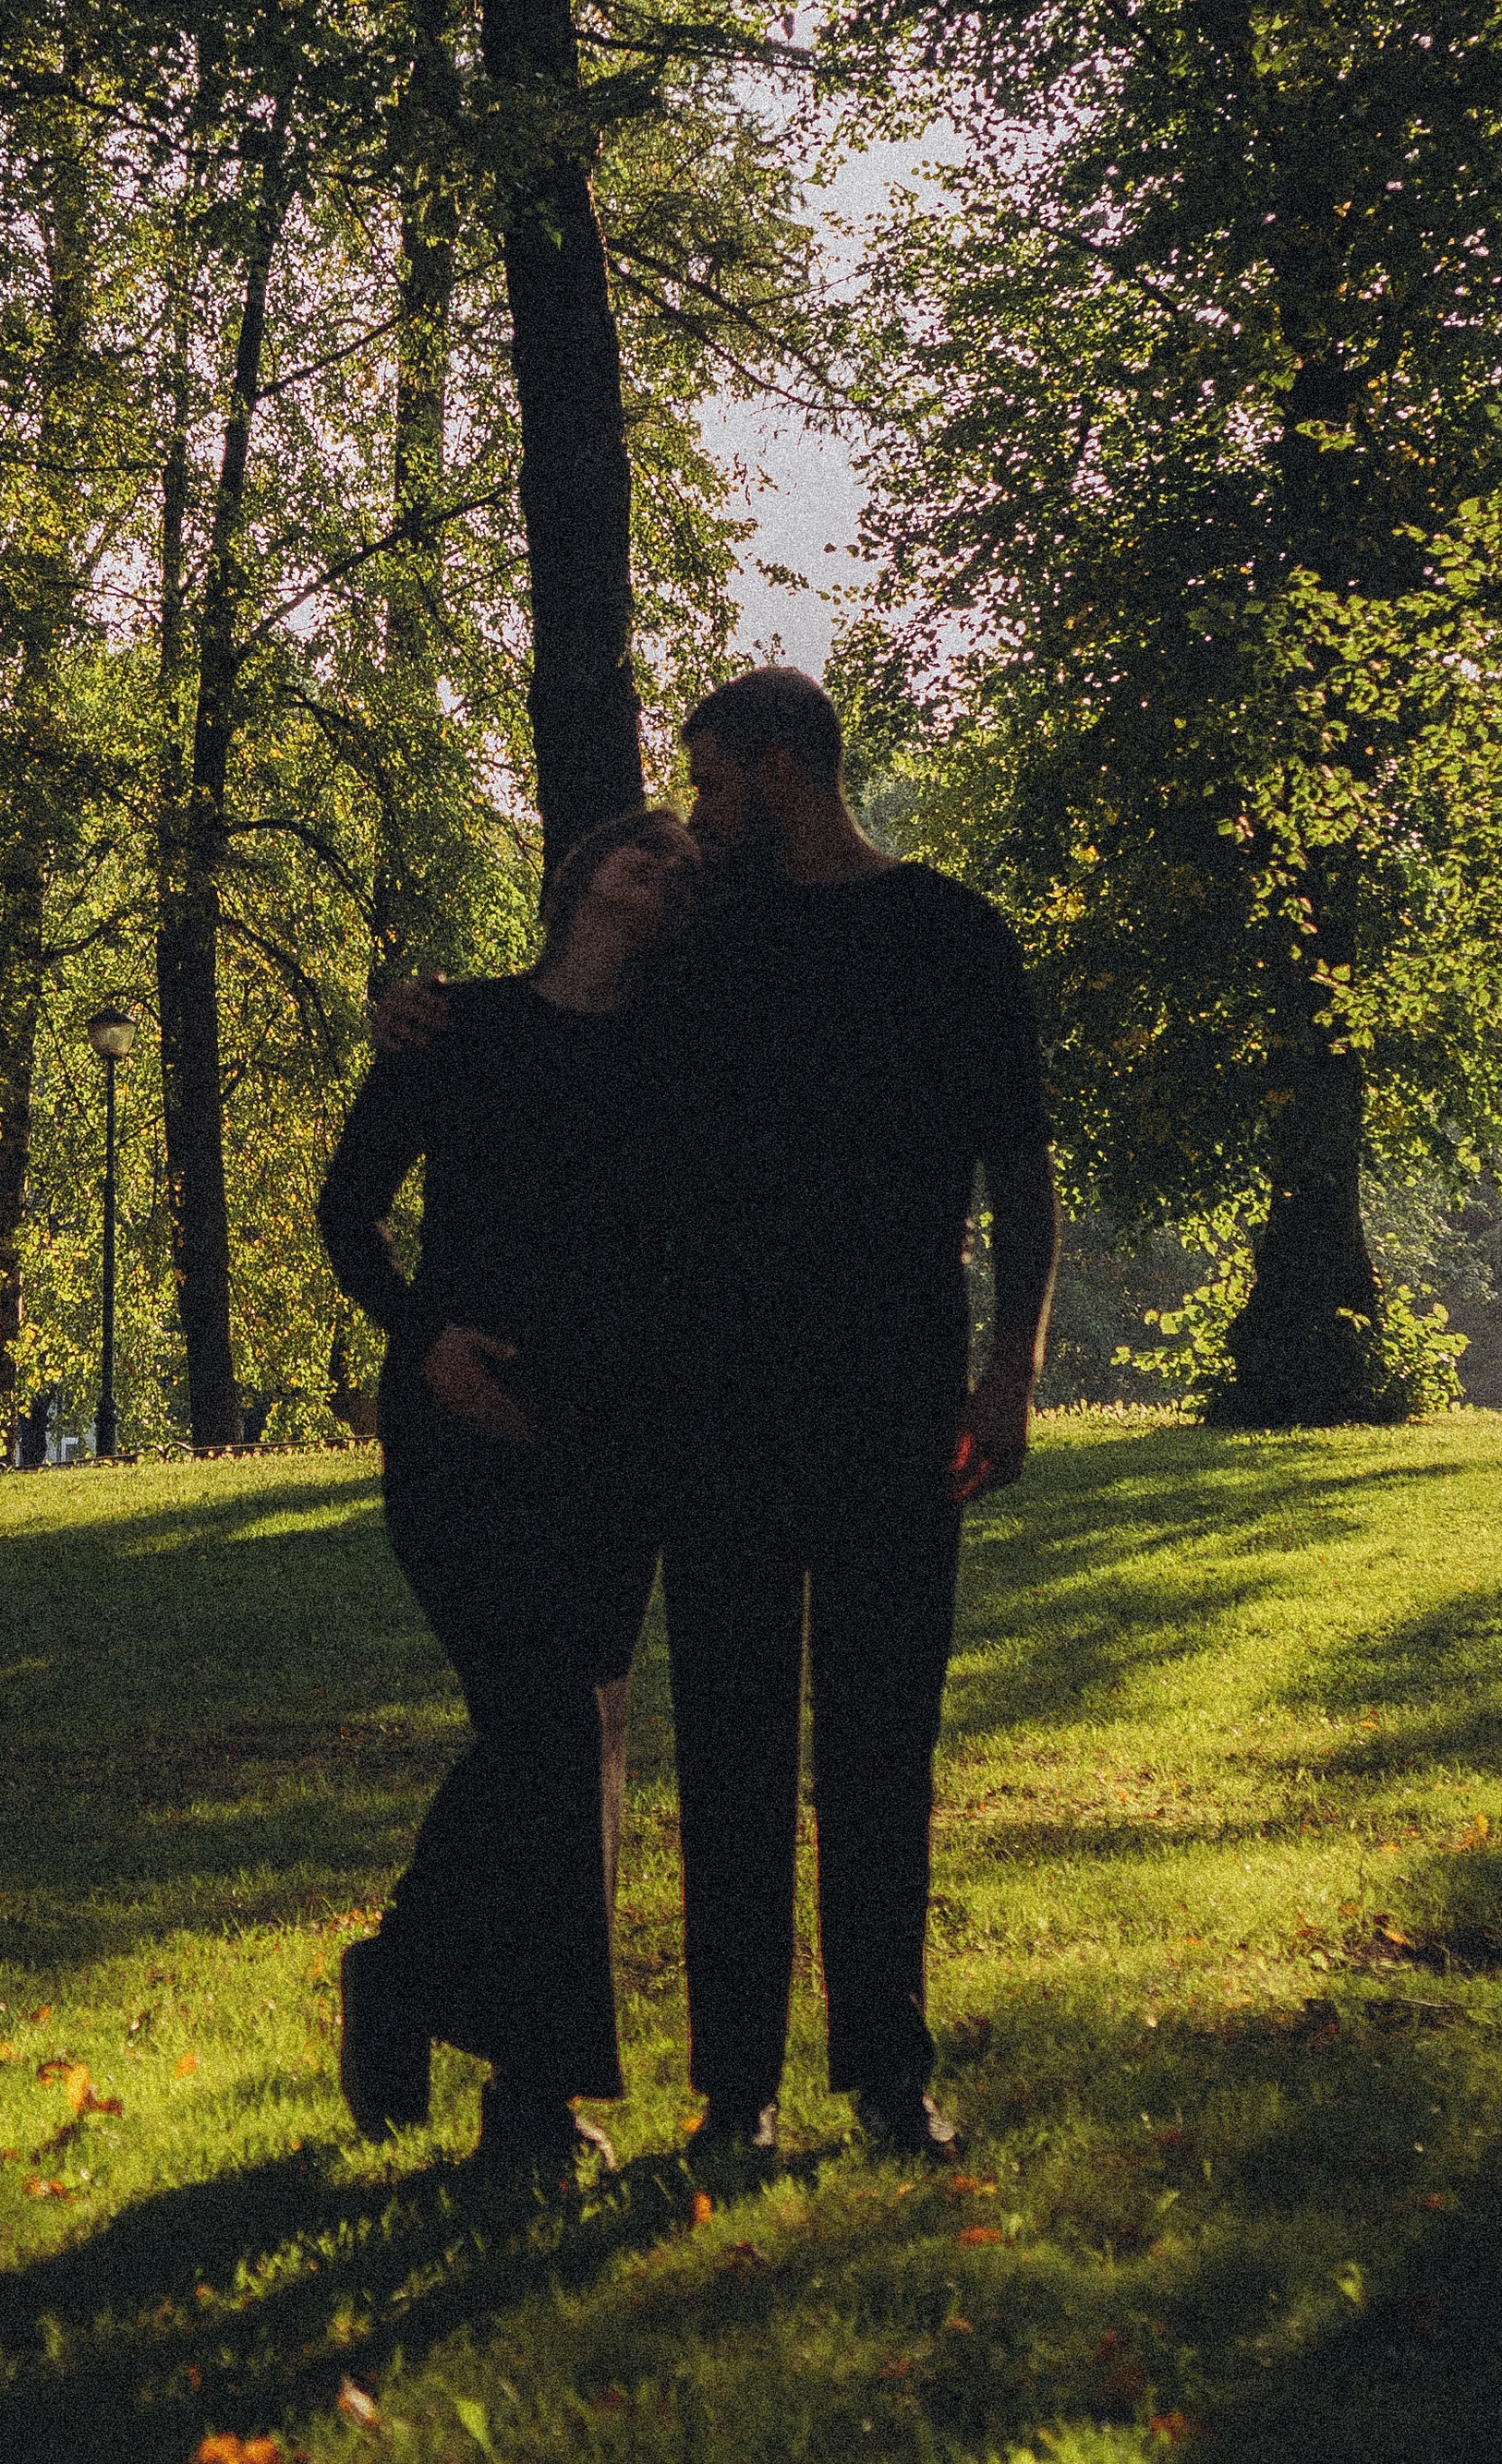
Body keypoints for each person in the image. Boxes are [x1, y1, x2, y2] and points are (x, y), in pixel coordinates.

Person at [658, 669, 1058, 2167]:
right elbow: (559, 1019)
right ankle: (736, 2093)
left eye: (708, 782)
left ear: (777, 766)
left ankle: (890, 2075)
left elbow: (1019, 1174)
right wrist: (419, 1019)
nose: (697, 814)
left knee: (884, 1743)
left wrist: (1010, 1373)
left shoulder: (950, 935)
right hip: (718, 1404)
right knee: (734, 1751)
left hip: (895, 1394)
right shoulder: (702, 942)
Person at [317, 804, 699, 2167]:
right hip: (461, 1428)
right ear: (581, 877)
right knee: (542, 1729)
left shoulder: (680, 1052)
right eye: (643, 849)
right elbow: (346, 1212)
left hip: (613, 1441)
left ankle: (445, 2012)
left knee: (569, 1743)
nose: (667, 870)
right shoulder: (455, 1027)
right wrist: (423, 1343)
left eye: (686, 864)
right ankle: (506, 2072)